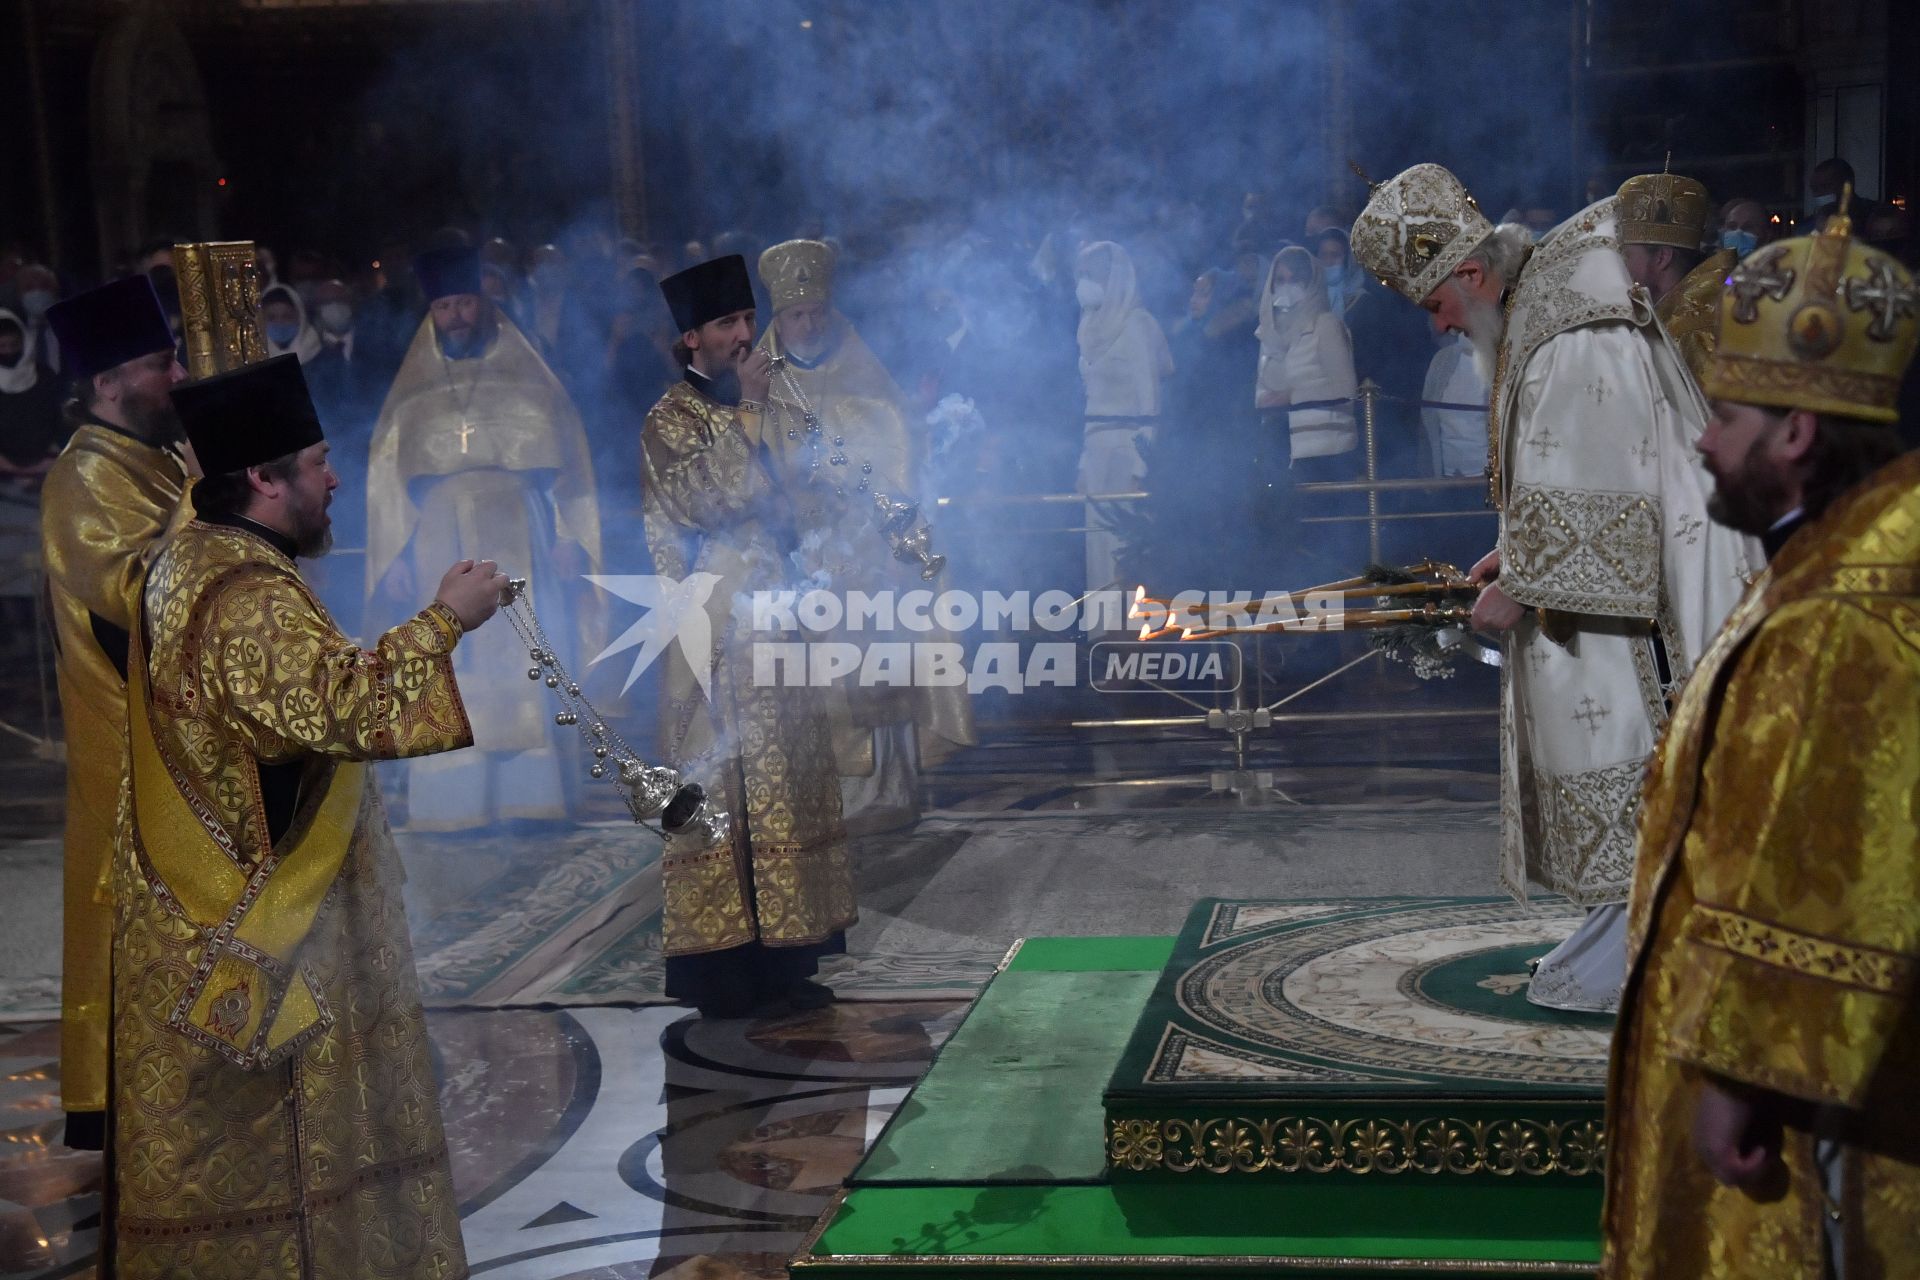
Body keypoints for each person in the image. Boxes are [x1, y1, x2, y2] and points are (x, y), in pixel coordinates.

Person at [112, 353, 505, 1278]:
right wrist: (446, 620)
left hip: (216, 926)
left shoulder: (205, 558)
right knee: (271, 1188)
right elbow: (345, 709)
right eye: (318, 461)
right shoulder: (242, 593)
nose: (334, 479)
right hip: (253, 937)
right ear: (262, 476)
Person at [1351, 163, 1760, 1013]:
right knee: (1617, 740)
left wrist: (1529, 583)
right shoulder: (1544, 303)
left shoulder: (1565, 327)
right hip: (1647, 580)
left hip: (1656, 600)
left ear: (1470, 274)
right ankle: (1622, 931)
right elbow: (1568, 465)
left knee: (1631, 740)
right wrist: (1516, 552)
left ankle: (1639, 950)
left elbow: (1607, 497)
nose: (1438, 327)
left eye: (1436, 305)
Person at [1602, 199, 1920, 1278]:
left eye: (1725, 413)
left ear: (1794, 434)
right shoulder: (1840, 551)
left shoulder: (1846, 615)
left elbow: (1836, 860)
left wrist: (1744, 1071)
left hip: (1807, 1104)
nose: (1700, 434)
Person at [639, 255, 854, 1017]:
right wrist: (753, 415)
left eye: (745, 320)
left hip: (780, 614)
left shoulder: (773, 403)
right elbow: (709, 502)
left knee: (787, 779)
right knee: (726, 786)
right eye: (727, 323)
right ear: (691, 337)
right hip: (719, 628)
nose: (742, 335)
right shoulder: (670, 419)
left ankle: (792, 948)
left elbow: (804, 497)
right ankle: (728, 966)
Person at [365, 244, 602, 829]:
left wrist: (569, 534)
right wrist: (392, 555)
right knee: (450, 663)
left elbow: (566, 465)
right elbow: (386, 483)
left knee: (524, 652)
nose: (457, 316)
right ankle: (456, 801)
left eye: (465, 302)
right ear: (432, 313)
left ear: (482, 303)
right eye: (445, 305)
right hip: (436, 544)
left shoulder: (526, 375)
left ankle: (532, 796)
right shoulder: (412, 392)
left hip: (517, 529)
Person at [36, 278, 190, 1149]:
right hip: (127, 744)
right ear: (106, 384)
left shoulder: (153, 460)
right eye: (159, 363)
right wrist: (209, 502)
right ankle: (120, 1087)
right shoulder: (83, 480)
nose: (176, 375)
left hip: (172, 731)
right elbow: (138, 598)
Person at [755, 239, 975, 833]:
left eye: (817, 313)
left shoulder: (865, 377)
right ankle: (817, 797)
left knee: (876, 665)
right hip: (797, 549)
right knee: (805, 675)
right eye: (797, 315)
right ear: (779, 319)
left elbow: (898, 460)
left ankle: (889, 791)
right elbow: (750, 464)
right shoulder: (758, 385)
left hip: (865, 547)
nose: (809, 324)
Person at [1074, 240, 1172, 595]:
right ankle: (1105, 639)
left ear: (1113, 277)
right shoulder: (1088, 327)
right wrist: (1083, 464)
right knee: (1096, 550)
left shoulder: (1136, 324)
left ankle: (1135, 636)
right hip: (1097, 450)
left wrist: (1140, 468)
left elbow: (1150, 404)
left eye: (1092, 274)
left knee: (1124, 549)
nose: (1084, 282)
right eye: (1081, 274)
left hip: (1128, 450)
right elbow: (1090, 402)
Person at [1616, 172, 1734, 383]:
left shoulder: (1695, 331)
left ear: (1662, 258)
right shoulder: (1672, 312)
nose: (1618, 265)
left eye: (1625, 255)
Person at [1256, 244, 1359, 479]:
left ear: (1311, 282)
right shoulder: (1268, 335)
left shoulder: (1326, 325)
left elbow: (1346, 389)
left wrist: (1291, 397)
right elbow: (1264, 390)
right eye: (1280, 279)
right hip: (1283, 452)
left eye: (1295, 280)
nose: (1287, 286)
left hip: (1327, 453)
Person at [0, 308, 66, 646]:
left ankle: (46, 631)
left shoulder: (43, 376)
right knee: (8, 562)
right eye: (2, 345)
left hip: (45, 476)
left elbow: (60, 424)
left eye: (13, 343)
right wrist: (16, 470)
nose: (8, 349)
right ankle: (18, 632)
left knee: (43, 561)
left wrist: (44, 465)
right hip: (6, 487)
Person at [260, 281, 323, 364]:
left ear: (300, 318)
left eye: (286, 316)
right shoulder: (256, 360)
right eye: (271, 318)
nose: (279, 322)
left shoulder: (322, 356)